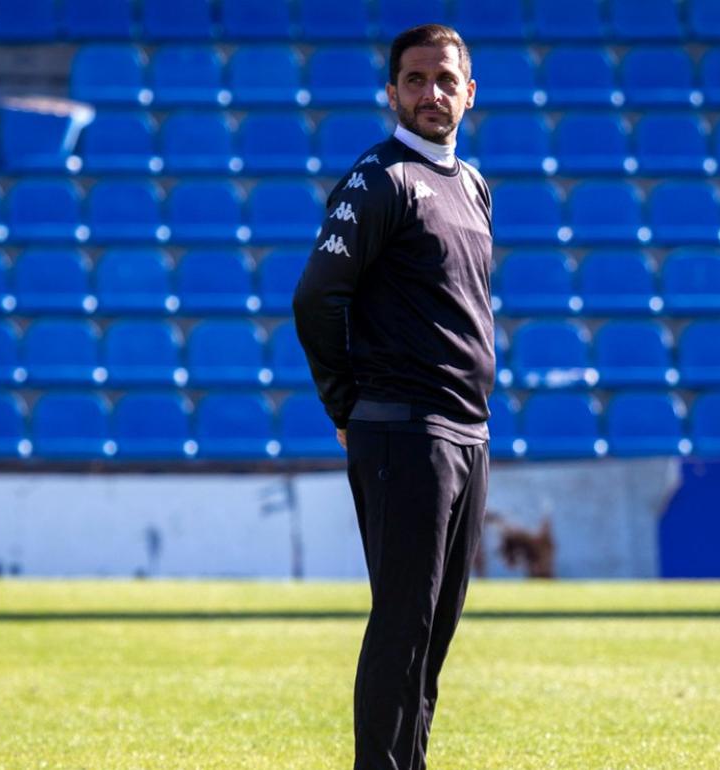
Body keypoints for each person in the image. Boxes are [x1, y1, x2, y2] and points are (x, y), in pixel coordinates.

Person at [291, 23, 494, 770]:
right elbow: (316, 298)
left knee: (434, 630)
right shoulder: (379, 180)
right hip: (405, 432)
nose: (431, 93)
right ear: (391, 93)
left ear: (470, 92)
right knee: (402, 624)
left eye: (445, 80)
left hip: (467, 435)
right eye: (415, 80)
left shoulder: (472, 185)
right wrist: (344, 404)